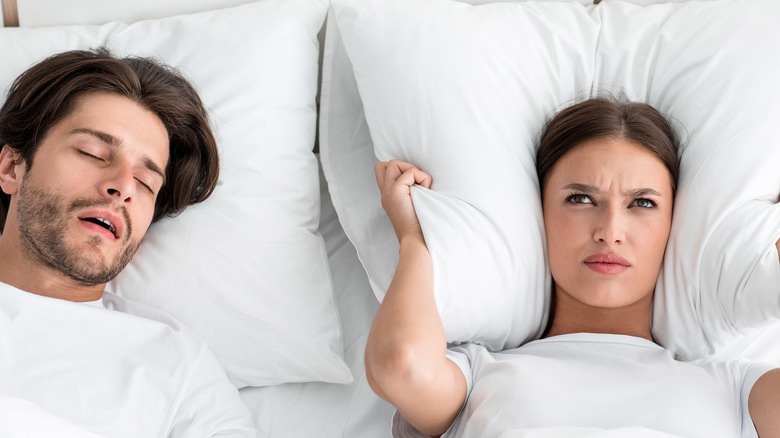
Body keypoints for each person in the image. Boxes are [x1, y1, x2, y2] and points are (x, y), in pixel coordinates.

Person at [366, 97, 780, 438]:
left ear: (674, 224)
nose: (610, 231)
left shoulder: (735, 390)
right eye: (581, 199)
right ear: (539, 213)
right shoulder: (476, 377)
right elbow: (400, 364)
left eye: (642, 203)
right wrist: (416, 240)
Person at [0, 49, 256, 437]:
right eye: (93, 152)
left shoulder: (177, 367)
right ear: (11, 167)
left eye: (146, 182)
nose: (122, 186)